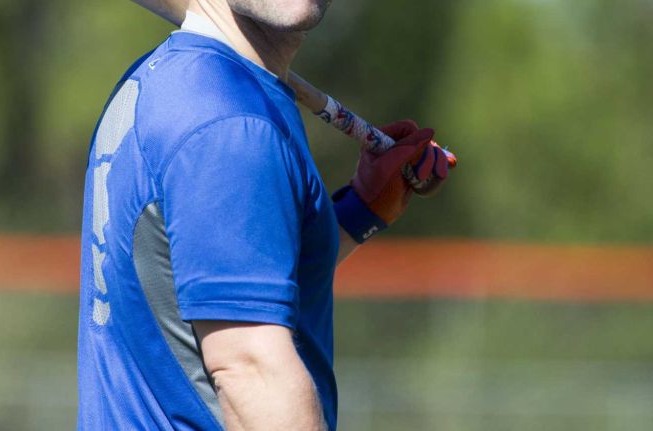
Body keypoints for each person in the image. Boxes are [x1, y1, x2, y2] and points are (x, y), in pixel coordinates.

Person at [77, 0, 449, 429]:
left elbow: (224, 280)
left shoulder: (172, 81)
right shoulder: (229, 124)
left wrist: (361, 210)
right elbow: (252, 372)